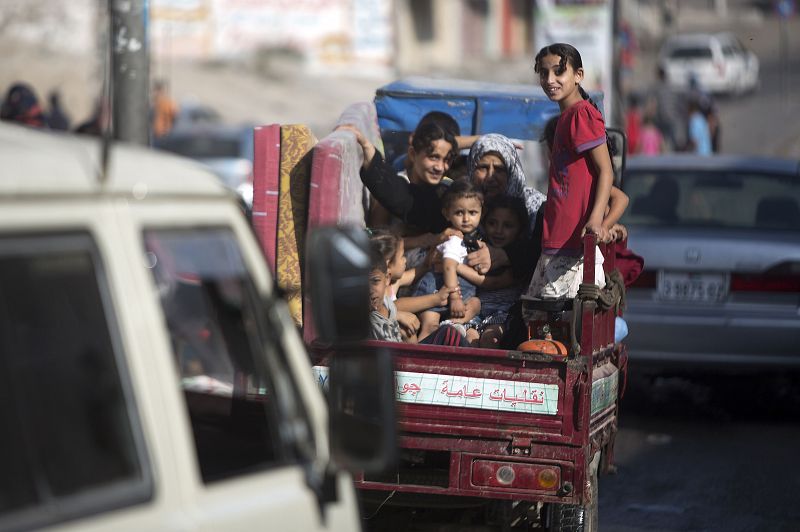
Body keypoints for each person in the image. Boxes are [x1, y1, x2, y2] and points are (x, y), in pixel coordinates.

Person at [526, 43, 614, 302]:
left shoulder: (582, 114)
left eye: (558, 72)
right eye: (544, 73)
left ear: (578, 75)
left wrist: (596, 220)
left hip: (573, 242)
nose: (550, 80)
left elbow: (605, 171)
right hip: (556, 237)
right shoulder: (565, 117)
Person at [455, 195, 532, 347]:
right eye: (492, 223)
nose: (498, 231)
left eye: (508, 226)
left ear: (520, 229)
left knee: (490, 339)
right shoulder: (477, 248)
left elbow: (492, 283)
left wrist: (456, 266)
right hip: (475, 312)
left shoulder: (519, 259)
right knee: (469, 339)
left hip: (502, 314)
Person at [413, 180, 484, 340]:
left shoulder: (473, 239)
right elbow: (449, 266)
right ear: (447, 214)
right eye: (459, 213)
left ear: (481, 212)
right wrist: (455, 297)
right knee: (430, 326)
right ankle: (417, 360)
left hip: (452, 290)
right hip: (436, 287)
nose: (466, 219)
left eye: (472, 213)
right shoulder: (454, 239)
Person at [367, 240, 404, 342]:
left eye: (375, 281)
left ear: (387, 278)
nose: (370, 290)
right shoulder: (371, 320)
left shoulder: (387, 303)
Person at [648, 66, 687, 152]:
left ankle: (664, 158)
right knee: (674, 141)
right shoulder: (672, 86)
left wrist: (650, 117)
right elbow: (679, 102)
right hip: (673, 117)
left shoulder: (656, 87)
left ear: (658, 75)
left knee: (662, 142)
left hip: (662, 118)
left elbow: (653, 104)